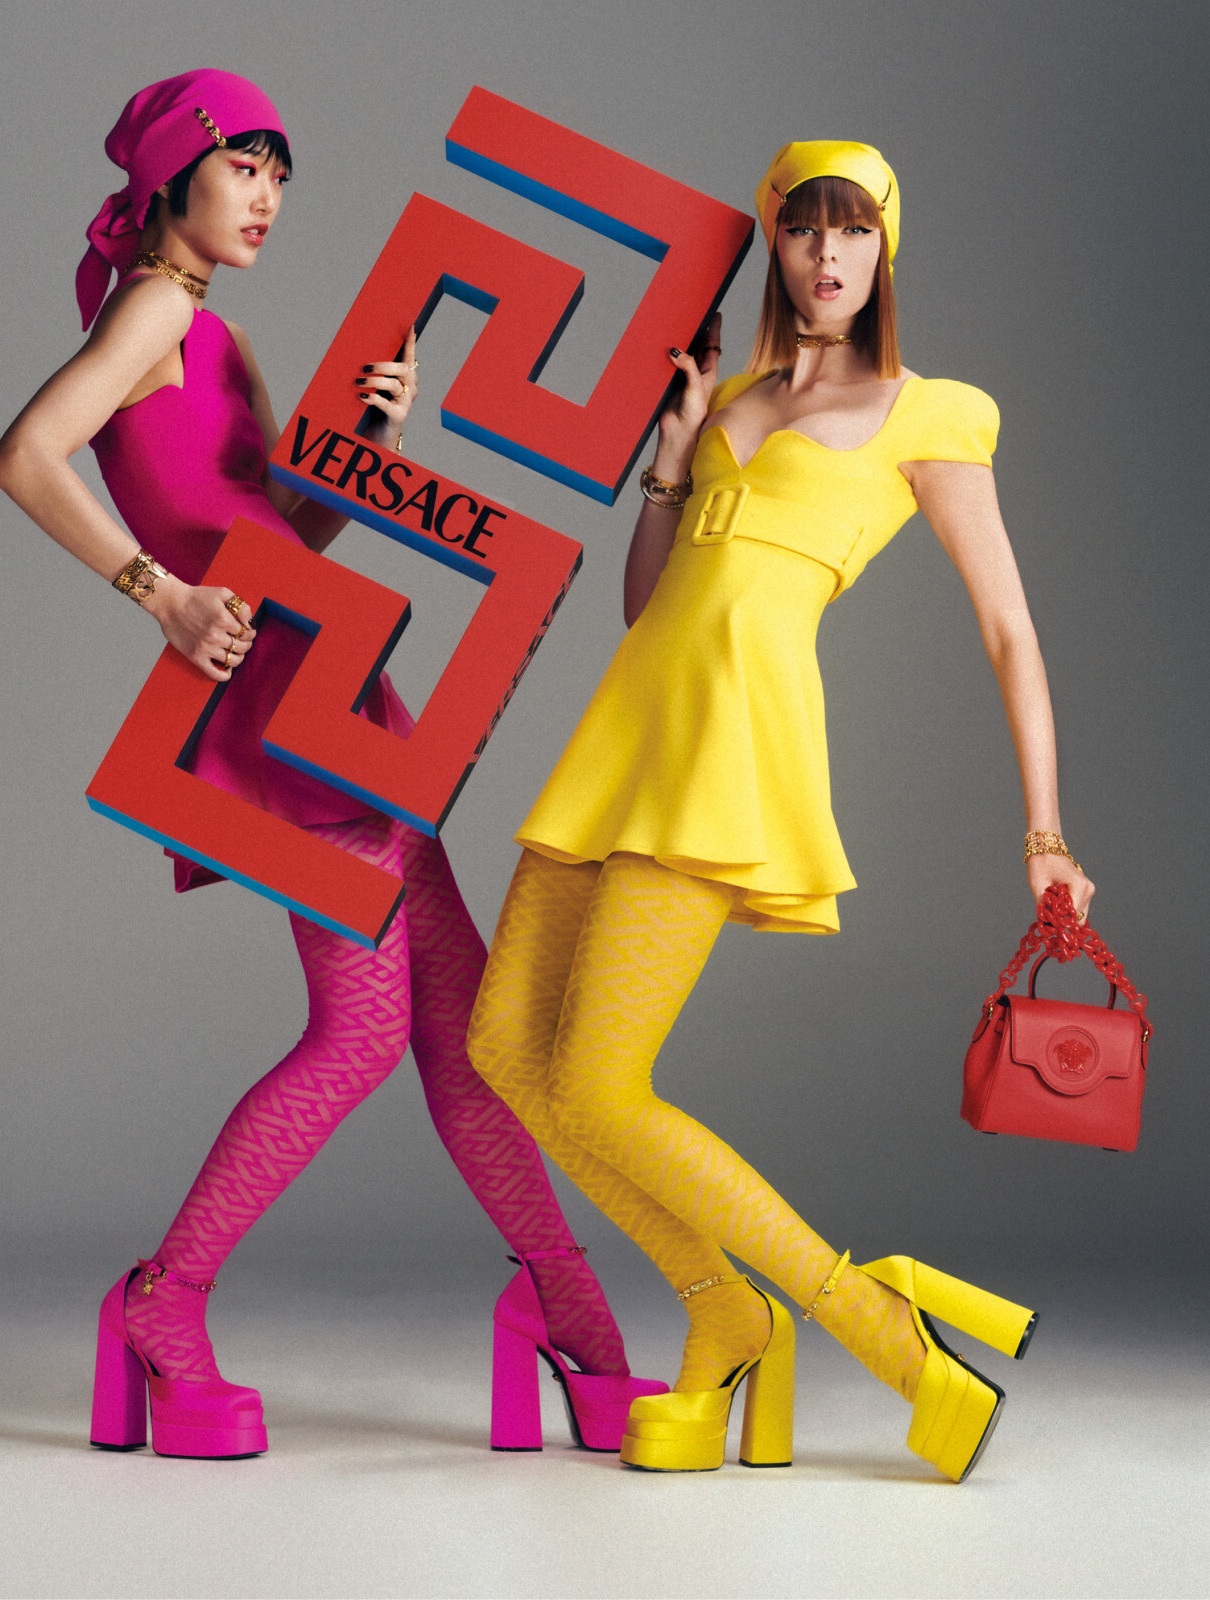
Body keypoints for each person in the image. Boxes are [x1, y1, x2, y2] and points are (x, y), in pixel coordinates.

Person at [0, 69, 662, 1461]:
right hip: (279, 703)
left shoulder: (214, 334)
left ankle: (570, 1315)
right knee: (362, 1034)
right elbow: (26, 455)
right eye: (244, 168)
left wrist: (367, 448)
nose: (268, 200)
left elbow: (276, 533)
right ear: (173, 176)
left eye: (281, 177)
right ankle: (163, 1302)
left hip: (335, 685)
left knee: (462, 1028)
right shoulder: (153, 310)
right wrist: (160, 599)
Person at [466, 140, 1094, 1481]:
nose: (828, 255)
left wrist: (1045, 833)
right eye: (805, 229)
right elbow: (649, 605)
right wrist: (670, 457)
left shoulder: (930, 414)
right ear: (775, 244)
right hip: (626, 734)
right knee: (507, 1050)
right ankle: (725, 1314)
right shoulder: (733, 396)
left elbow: (1010, 631)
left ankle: (882, 1332)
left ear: (884, 249)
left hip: (730, 753)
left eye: (854, 230)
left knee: (600, 1084)